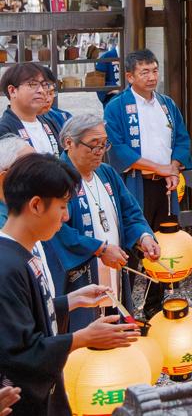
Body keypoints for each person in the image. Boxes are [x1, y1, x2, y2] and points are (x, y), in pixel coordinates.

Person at [0, 154, 138, 416]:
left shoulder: (22, 252)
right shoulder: (5, 266)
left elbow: (22, 315)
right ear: (36, 205)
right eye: (63, 206)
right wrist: (82, 337)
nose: (65, 217)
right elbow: (17, 353)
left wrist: (71, 301)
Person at [48, 114, 159, 331]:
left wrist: (143, 237)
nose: (100, 152)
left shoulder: (106, 173)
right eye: (94, 146)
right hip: (82, 270)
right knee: (81, 331)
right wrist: (99, 248)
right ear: (69, 142)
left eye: (104, 145)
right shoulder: (55, 177)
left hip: (112, 265)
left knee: (113, 322)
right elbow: (54, 229)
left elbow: (130, 212)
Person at [104, 49, 192, 319]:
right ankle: (125, 305)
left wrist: (174, 169)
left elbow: (182, 140)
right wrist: (160, 167)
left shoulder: (167, 104)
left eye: (155, 70)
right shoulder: (117, 106)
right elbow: (117, 150)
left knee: (164, 242)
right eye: (145, 72)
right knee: (133, 241)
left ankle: (155, 301)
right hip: (135, 184)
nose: (152, 77)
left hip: (166, 185)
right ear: (129, 76)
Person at [0, 63, 60, 155]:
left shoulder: (51, 123)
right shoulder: (3, 129)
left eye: (44, 85)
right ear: (12, 91)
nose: (41, 91)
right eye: (33, 84)